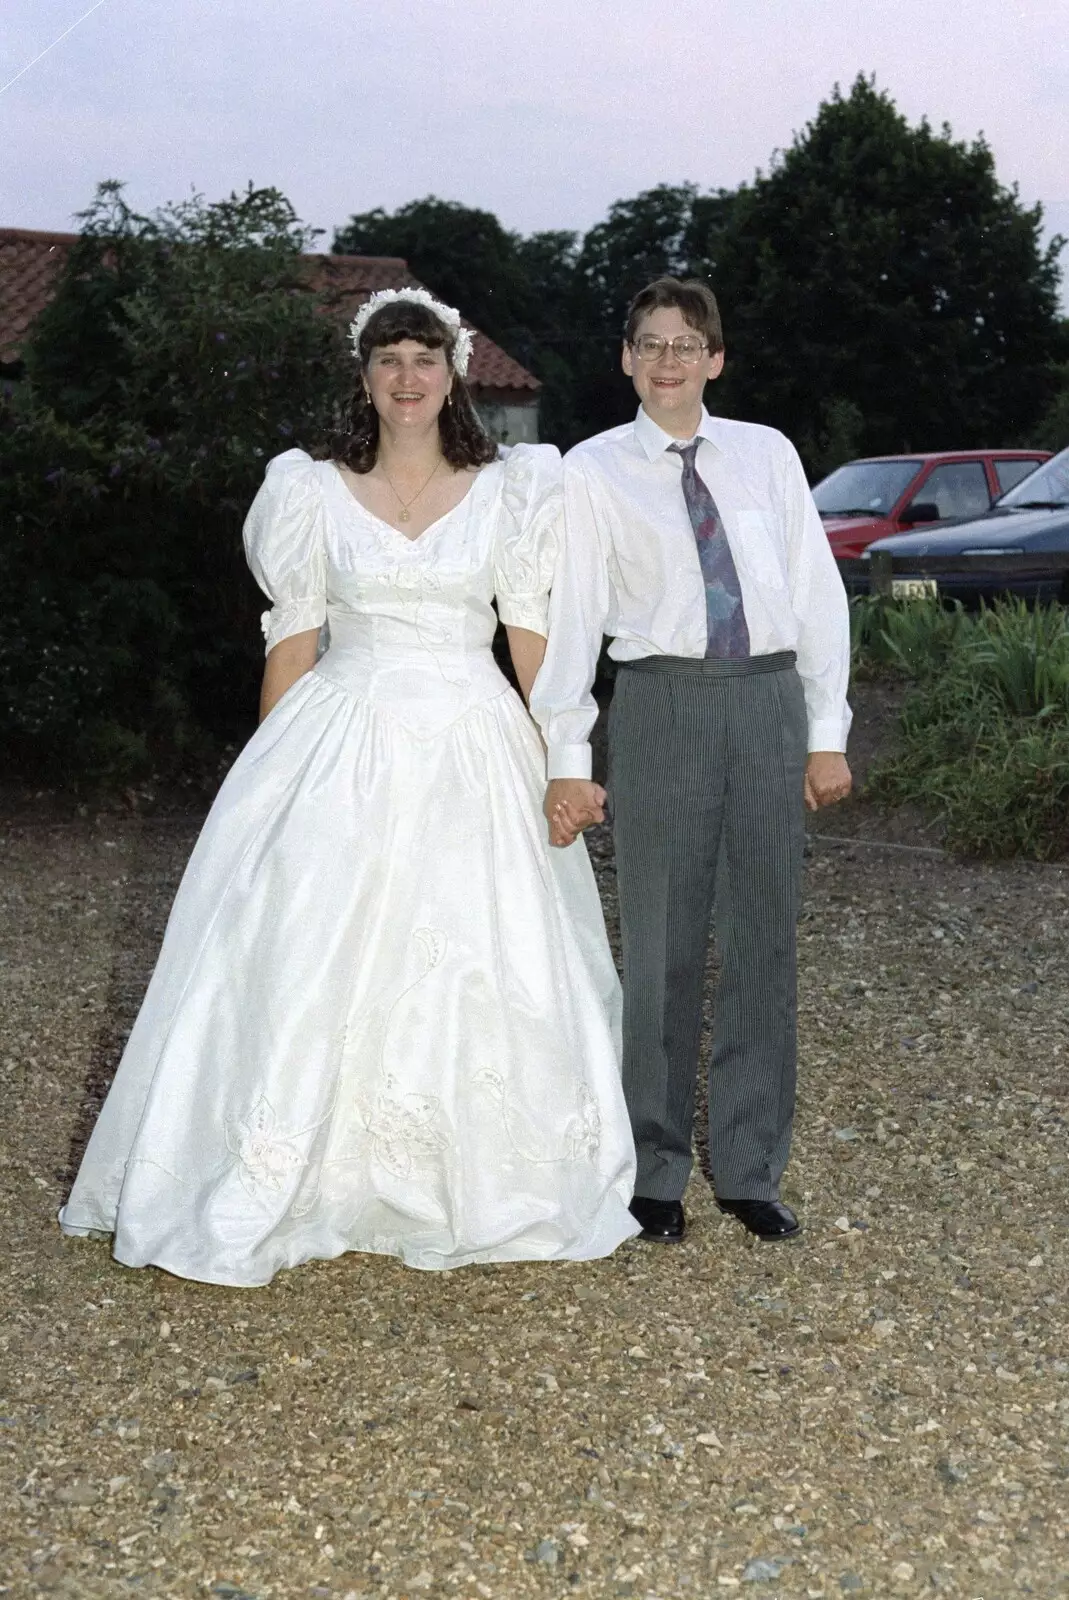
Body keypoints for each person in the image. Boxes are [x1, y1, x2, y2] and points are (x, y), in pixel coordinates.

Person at [60, 287, 640, 1284]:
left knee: (476, 955)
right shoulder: (307, 489)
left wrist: (562, 761)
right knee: (304, 950)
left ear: (454, 371)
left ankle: (475, 1176)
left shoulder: (511, 487)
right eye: (387, 359)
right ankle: (296, 1172)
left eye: (424, 357)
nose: (406, 377)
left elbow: (529, 634)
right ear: (364, 377)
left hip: (470, 738)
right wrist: (267, 785)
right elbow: (291, 642)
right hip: (343, 731)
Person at [531, 277, 852, 1245]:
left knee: (763, 939)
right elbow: (573, 615)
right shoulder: (589, 471)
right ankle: (654, 1169)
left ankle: (751, 1168)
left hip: (761, 698)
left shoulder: (766, 455)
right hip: (662, 702)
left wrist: (822, 730)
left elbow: (813, 591)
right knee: (663, 944)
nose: (668, 360)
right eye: (649, 344)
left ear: (715, 358)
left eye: (686, 344)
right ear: (625, 359)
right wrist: (568, 752)